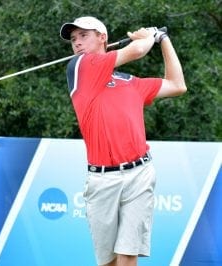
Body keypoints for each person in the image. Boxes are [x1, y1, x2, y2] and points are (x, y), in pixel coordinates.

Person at [59, 16, 186, 266]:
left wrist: (163, 39)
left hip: (139, 173)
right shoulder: (80, 67)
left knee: (128, 254)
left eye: (84, 36)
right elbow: (138, 49)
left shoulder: (130, 82)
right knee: (108, 261)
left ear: (102, 37)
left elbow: (177, 84)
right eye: (73, 39)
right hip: (101, 179)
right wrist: (147, 37)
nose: (77, 43)